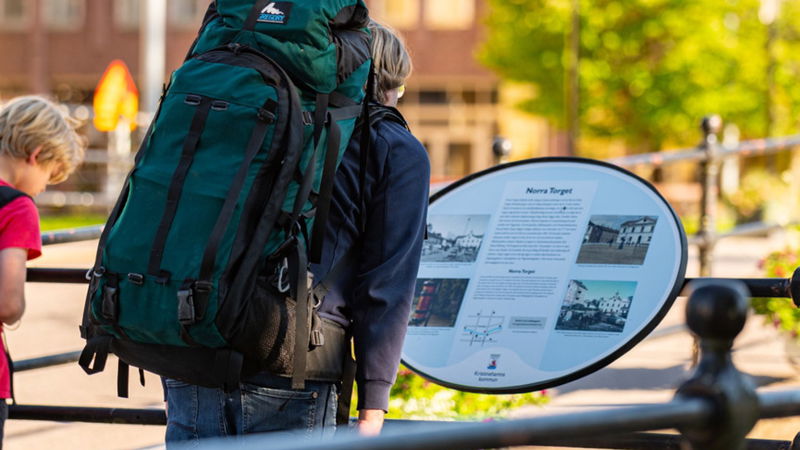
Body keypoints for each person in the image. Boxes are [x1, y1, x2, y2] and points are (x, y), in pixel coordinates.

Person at [164, 21, 429, 443]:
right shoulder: (391, 147)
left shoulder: (258, 124)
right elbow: (386, 286)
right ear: (390, 83)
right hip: (291, 361)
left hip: (195, 346)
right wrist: (374, 400)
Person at [0, 96, 85, 445]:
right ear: (35, 154)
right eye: (49, 176)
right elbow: (7, 303)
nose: (42, 188)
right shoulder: (17, 207)